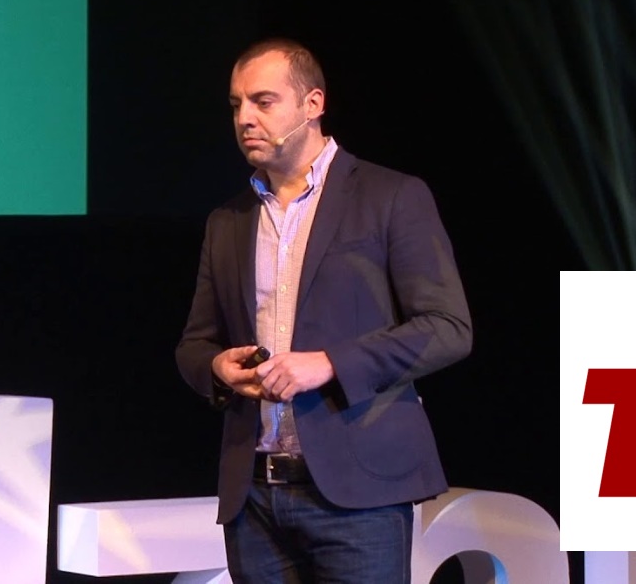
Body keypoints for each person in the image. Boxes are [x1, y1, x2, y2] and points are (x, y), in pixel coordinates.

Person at [175, 37, 473, 583]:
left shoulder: (390, 196)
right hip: (254, 498)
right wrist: (217, 368)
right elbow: (195, 344)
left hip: (359, 496)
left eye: (263, 102)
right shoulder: (228, 220)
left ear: (313, 104)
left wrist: (331, 363)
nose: (245, 118)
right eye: (237, 104)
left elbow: (448, 327)